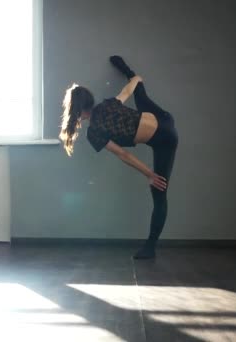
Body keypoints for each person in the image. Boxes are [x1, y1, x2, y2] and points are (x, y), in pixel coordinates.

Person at [59, 56, 178, 259]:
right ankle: (133, 75)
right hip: (163, 118)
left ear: (77, 111)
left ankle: (150, 247)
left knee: (159, 191)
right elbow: (126, 92)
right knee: (140, 99)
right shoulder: (107, 105)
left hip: (165, 140)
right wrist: (134, 81)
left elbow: (123, 154)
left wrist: (150, 174)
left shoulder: (94, 133)